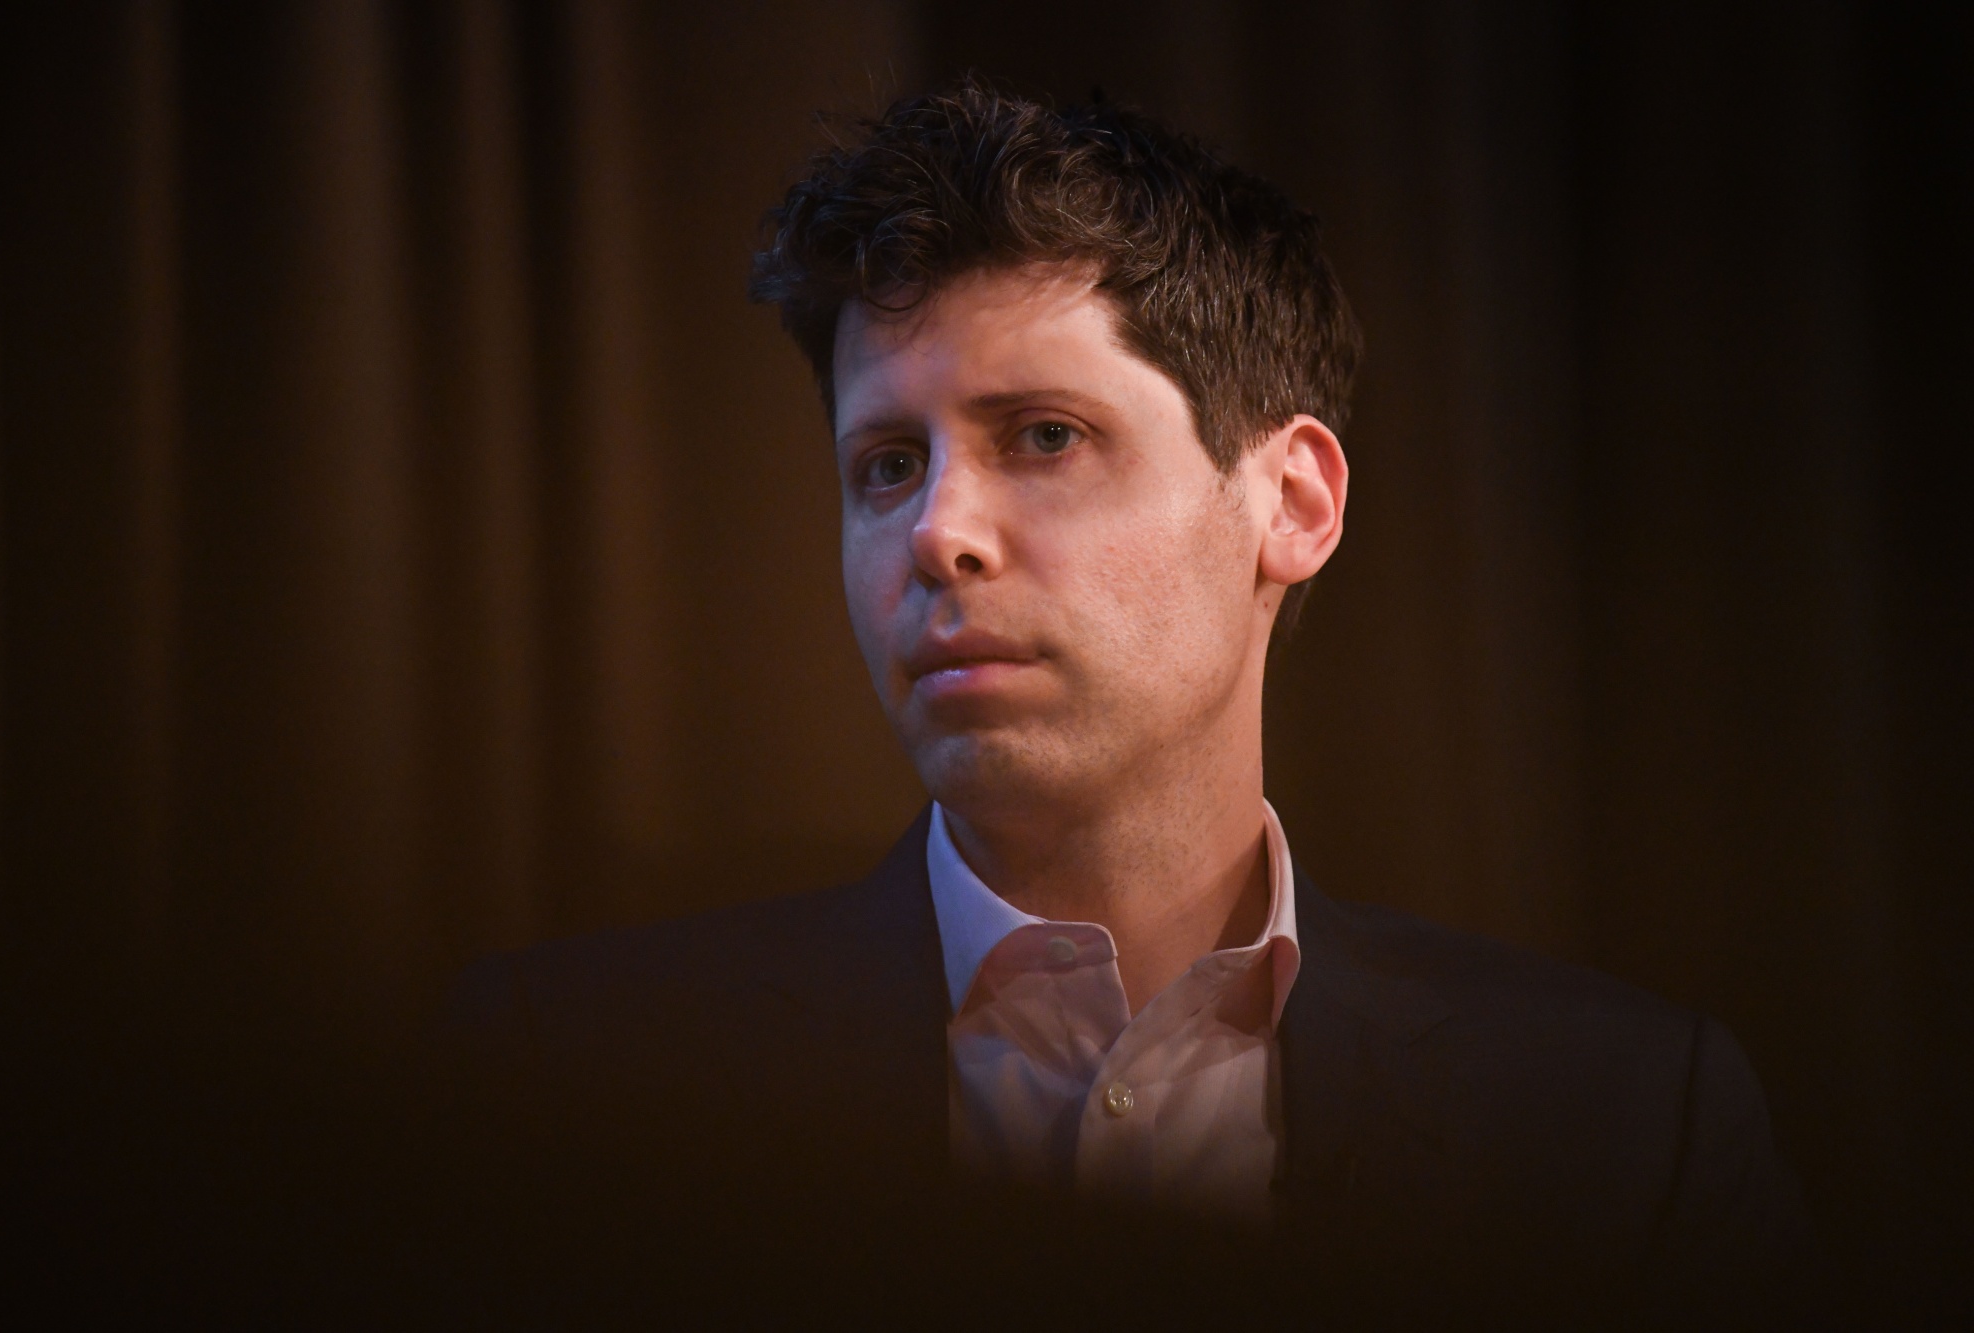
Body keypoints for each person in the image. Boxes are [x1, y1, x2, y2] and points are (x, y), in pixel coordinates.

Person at [447, 82, 1807, 1323]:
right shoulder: (567, 1091)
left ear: (1293, 503)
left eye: (1046, 436)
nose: (937, 533)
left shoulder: (1626, 1125)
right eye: (887, 464)